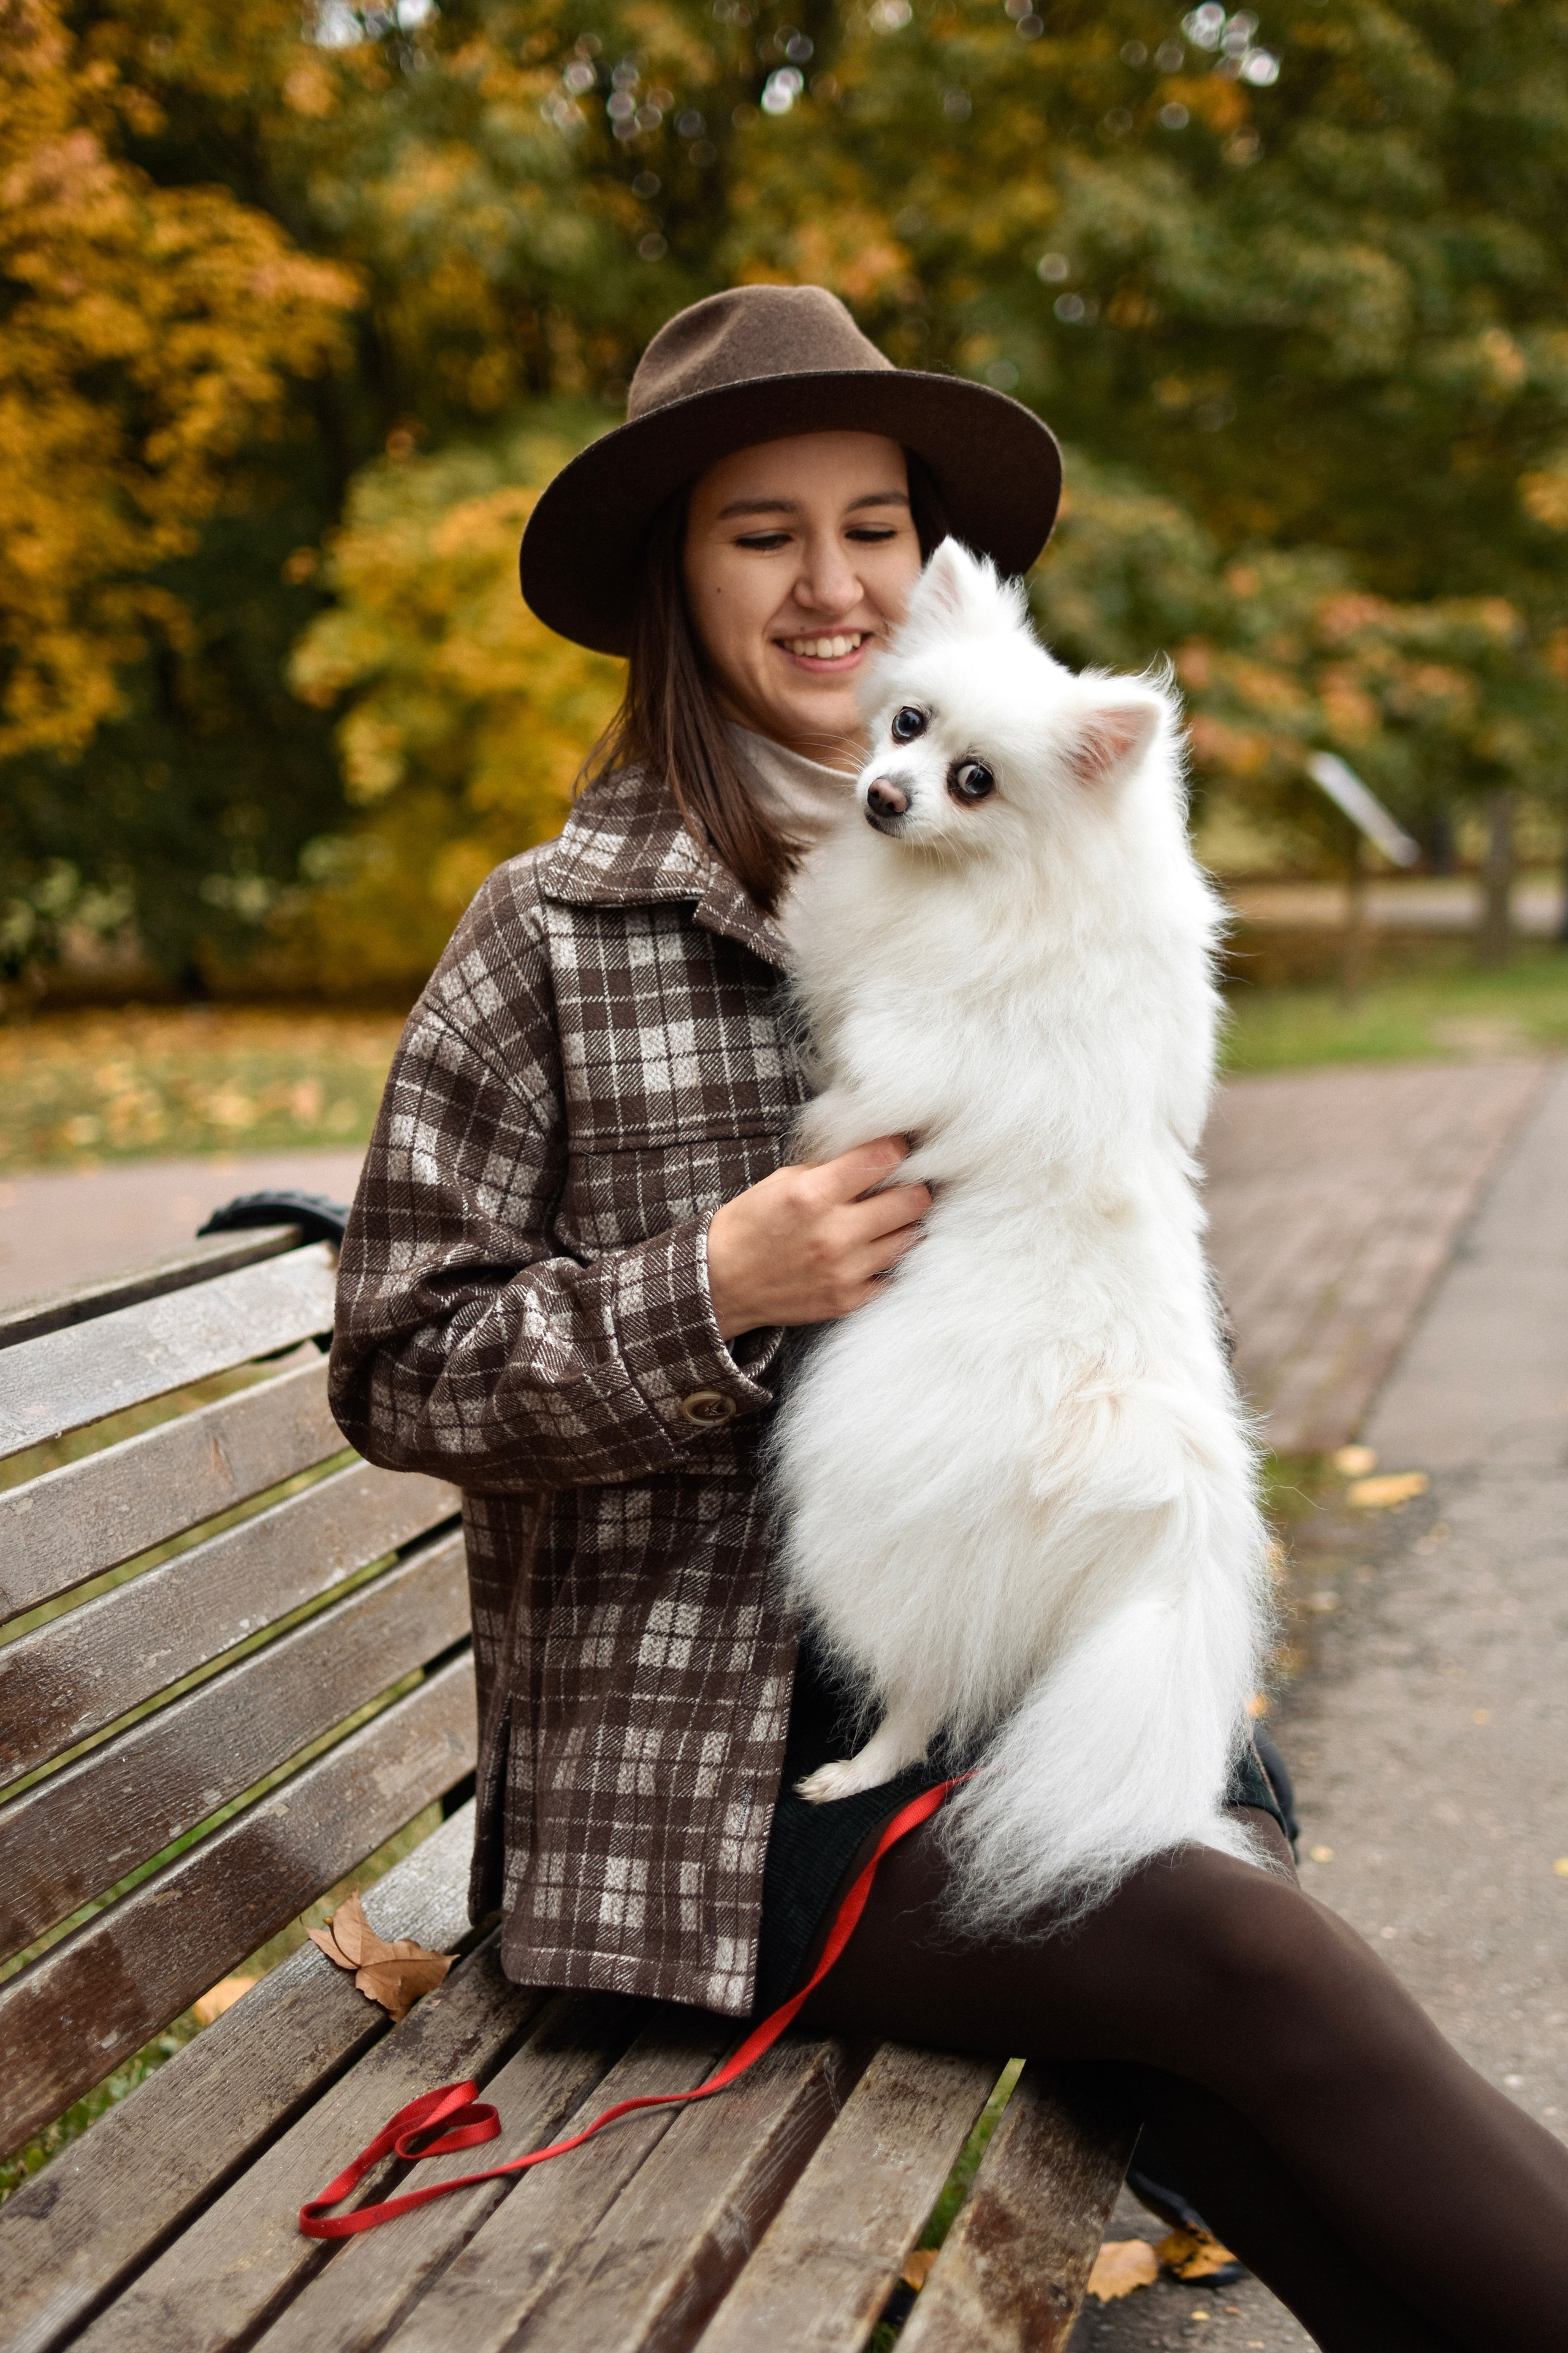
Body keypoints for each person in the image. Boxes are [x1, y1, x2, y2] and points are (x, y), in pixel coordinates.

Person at [330, 284, 1568, 2350]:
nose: (832, 584)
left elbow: (1110, 1275)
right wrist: (711, 1290)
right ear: (676, 581)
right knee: (1249, 1974)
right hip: (696, 1797)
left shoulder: (1048, 870)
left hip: (1004, 1678)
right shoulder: (548, 930)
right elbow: (394, 1362)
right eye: (763, 534)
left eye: (874, 527)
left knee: (1229, 2069)